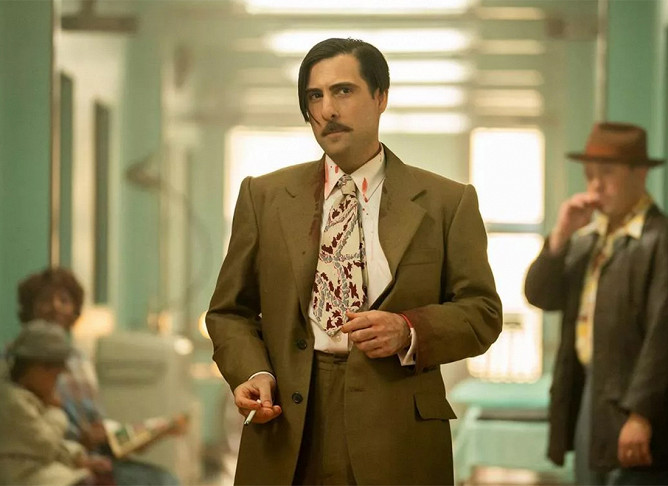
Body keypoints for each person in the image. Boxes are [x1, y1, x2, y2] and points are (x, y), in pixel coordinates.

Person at [206, 37, 502, 485]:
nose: (327, 109)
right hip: (287, 424)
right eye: (314, 96)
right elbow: (230, 311)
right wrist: (253, 371)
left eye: (343, 91)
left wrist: (408, 329)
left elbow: (482, 312)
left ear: (381, 97)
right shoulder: (264, 197)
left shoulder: (446, 202)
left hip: (397, 430)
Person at [524, 122, 668, 485]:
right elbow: (540, 295)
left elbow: (667, 338)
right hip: (590, 392)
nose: (596, 185)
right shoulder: (588, 240)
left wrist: (641, 415)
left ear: (640, 173)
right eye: (590, 175)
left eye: (607, 173)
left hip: (636, 405)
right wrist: (561, 235)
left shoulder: (665, 240)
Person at [16, 267, 180, 486]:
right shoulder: (19, 361)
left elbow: (96, 420)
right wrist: (79, 442)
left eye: (64, 300)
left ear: (74, 310)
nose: (55, 307)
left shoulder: (79, 360)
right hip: (59, 459)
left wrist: (132, 437)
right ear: (30, 308)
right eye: (46, 300)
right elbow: (26, 430)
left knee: (166, 479)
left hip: (96, 454)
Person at [0, 319, 113, 486]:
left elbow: (52, 446)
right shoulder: (13, 401)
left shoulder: (30, 398)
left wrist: (78, 458)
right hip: (24, 477)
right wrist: (55, 411)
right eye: (54, 375)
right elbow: (46, 445)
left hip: (41, 470)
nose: (55, 384)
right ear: (37, 368)